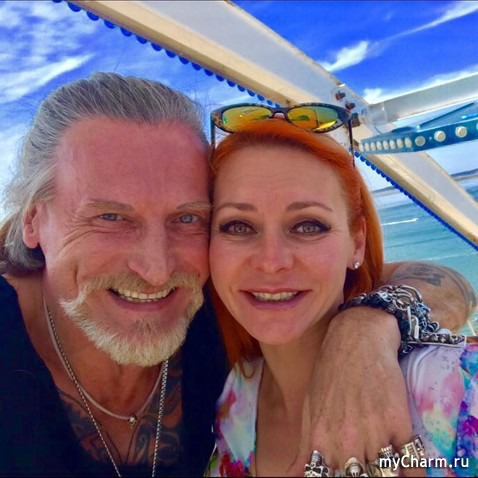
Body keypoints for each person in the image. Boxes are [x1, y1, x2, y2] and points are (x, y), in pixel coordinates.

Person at [0, 73, 474, 477]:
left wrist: (363, 333)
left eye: (187, 218)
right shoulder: (236, 390)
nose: (156, 269)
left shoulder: (215, 300)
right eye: (110, 217)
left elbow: (439, 281)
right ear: (32, 219)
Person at [206, 116, 477, 477]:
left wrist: (366, 325)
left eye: (308, 225)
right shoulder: (233, 399)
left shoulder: (457, 388)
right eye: (238, 226)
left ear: (357, 243)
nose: (271, 261)